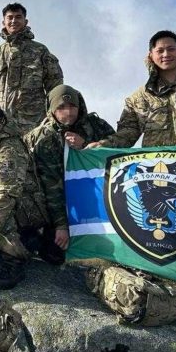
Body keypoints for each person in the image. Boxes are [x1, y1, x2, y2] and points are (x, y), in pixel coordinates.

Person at [0, 97, 52, 289]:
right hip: (20, 207)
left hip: (29, 208)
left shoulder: (8, 148)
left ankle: (15, 259)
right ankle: (28, 240)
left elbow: (6, 194)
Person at [24, 84, 115, 255]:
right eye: (61, 107)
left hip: (97, 196)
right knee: (56, 252)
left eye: (73, 106)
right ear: (52, 110)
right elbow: (51, 185)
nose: (68, 112)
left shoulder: (96, 125)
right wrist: (61, 225)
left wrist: (89, 146)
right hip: (55, 202)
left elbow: (119, 151)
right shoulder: (44, 139)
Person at [0, 3, 63, 130]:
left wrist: (53, 118)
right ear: (3, 22)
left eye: (18, 17)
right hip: (3, 126)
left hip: (35, 124)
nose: (14, 21)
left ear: (25, 21)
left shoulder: (40, 51)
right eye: (10, 17)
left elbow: (55, 87)